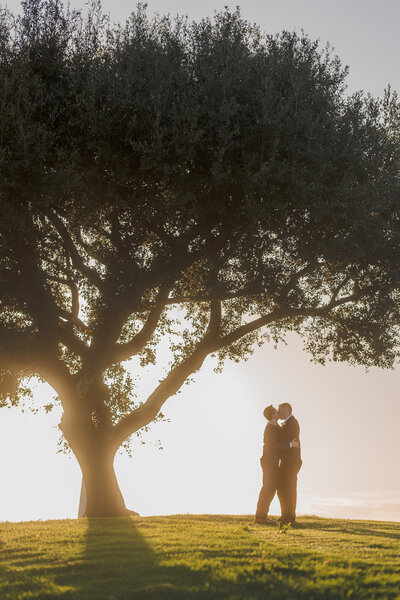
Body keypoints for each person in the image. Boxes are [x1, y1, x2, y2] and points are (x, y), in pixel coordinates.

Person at [255, 405, 298, 525]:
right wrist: (290, 445)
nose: (278, 412)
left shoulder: (275, 426)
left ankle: (262, 516)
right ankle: (260, 517)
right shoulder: (270, 427)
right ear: (273, 415)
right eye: (276, 411)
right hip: (269, 463)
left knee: (271, 489)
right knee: (268, 488)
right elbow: (273, 444)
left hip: (273, 464)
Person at [277, 402, 302, 524]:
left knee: (289, 488)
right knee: (282, 488)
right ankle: (285, 514)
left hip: (291, 461)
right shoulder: (288, 423)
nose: (278, 412)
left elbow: (285, 438)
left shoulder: (292, 423)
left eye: (280, 410)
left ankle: (289, 516)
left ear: (287, 409)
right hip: (287, 461)